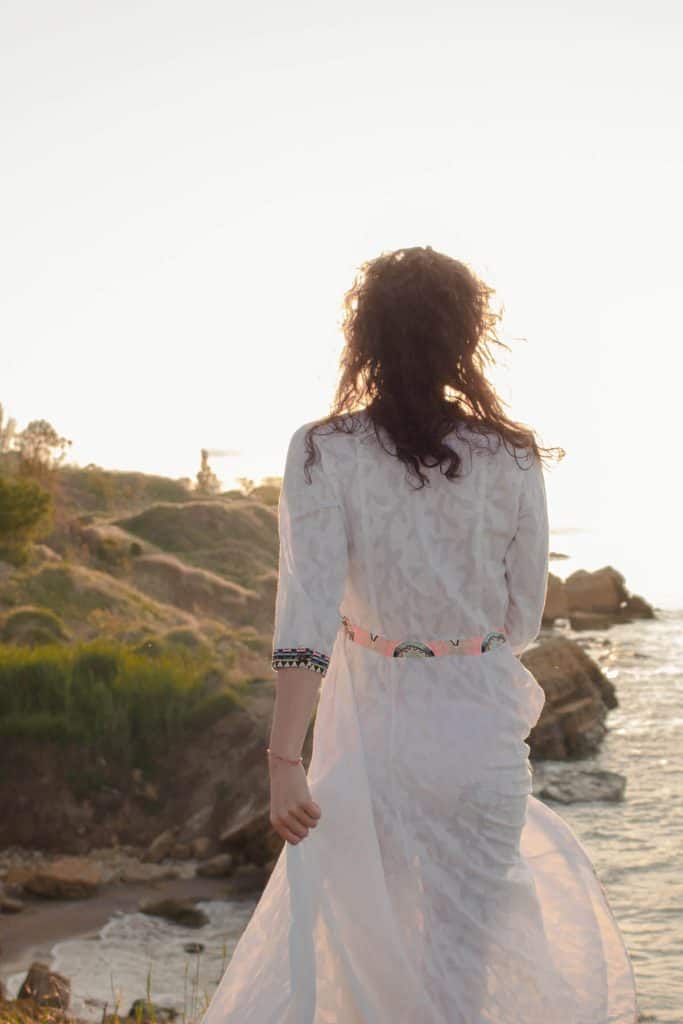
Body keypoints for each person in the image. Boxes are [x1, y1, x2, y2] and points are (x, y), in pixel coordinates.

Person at [199, 247, 638, 1023]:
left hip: (371, 738)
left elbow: (305, 615)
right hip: (479, 733)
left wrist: (282, 762)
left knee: (366, 953)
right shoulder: (512, 455)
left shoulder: (321, 450)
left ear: (363, 334)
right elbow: (522, 619)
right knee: (460, 969)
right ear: (467, 338)